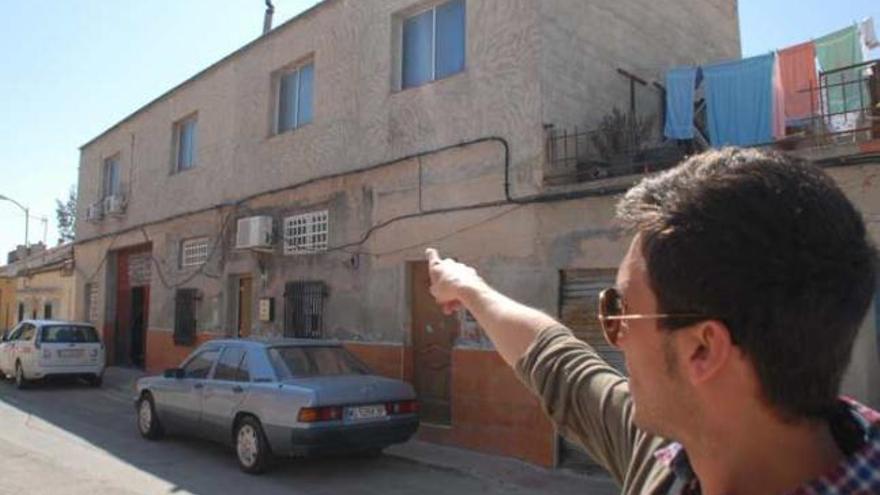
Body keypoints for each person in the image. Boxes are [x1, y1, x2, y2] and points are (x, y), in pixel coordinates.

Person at [425, 148, 880, 494]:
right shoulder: (672, 458)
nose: (614, 336)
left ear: (703, 349)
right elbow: (556, 361)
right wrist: (468, 287)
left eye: (619, 310)